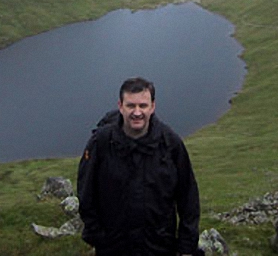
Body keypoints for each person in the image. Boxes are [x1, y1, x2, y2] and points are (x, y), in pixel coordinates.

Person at [77, 77, 200, 256]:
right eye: (130, 106)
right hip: (113, 248)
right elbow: (86, 192)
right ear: (120, 106)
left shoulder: (171, 144)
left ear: (152, 106)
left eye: (143, 106)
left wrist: (186, 247)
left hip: (159, 247)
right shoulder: (101, 143)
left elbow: (188, 198)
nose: (137, 112)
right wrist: (98, 236)